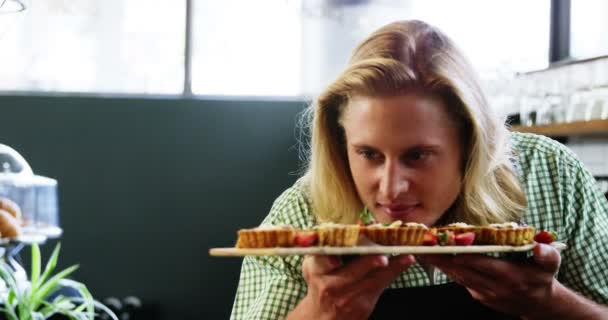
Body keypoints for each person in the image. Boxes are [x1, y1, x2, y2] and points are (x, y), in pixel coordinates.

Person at [230, 20, 608, 319]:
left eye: (417, 156)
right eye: (369, 154)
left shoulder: (554, 176)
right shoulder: (300, 215)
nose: (391, 188)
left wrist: (550, 303)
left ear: (471, 144)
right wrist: (322, 312)